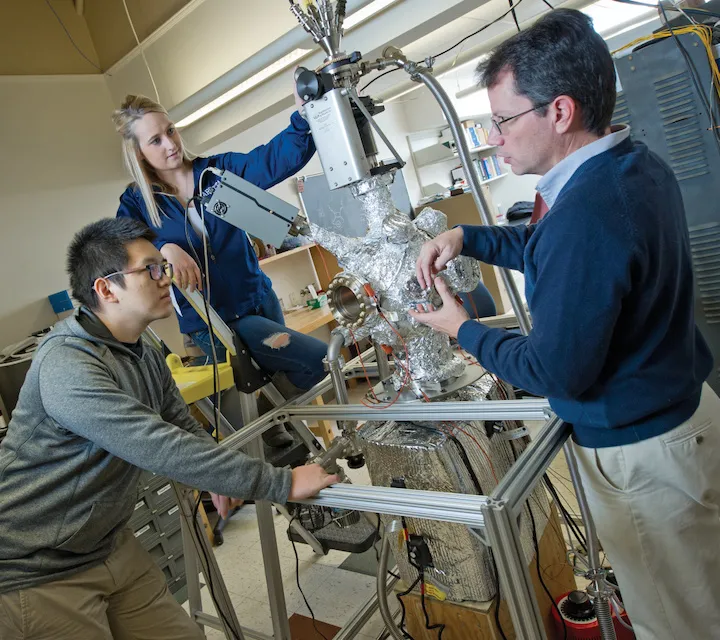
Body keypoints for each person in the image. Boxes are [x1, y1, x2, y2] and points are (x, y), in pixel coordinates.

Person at [411, 10, 720, 640]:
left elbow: (557, 372)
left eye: (501, 120)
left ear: (559, 112)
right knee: (702, 594)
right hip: (685, 419)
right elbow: (550, 249)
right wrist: (468, 235)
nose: (493, 138)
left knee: (677, 622)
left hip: (644, 457)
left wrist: (462, 329)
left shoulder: (586, 213)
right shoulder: (631, 165)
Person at [0, 218, 338, 640]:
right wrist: (279, 482)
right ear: (106, 288)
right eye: (151, 269)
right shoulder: (68, 366)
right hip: (33, 568)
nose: (167, 277)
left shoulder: (142, 348)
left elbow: (177, 421)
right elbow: (155, 444)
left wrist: (215, 478)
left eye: (164, 265)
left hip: (104, 542)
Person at [114, 92, 328, 448]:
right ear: (139, 153)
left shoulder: (216, 173)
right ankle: (271, 428)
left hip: (259, 300)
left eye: (171, 131)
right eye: (155, 139)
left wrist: (303, 118)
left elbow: (274, 160)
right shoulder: (137, 202)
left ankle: (273, 421)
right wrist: (163, 248)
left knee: (279, 403)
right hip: (212, 323)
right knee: (315, 363)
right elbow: (122, 252)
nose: (170, 143)